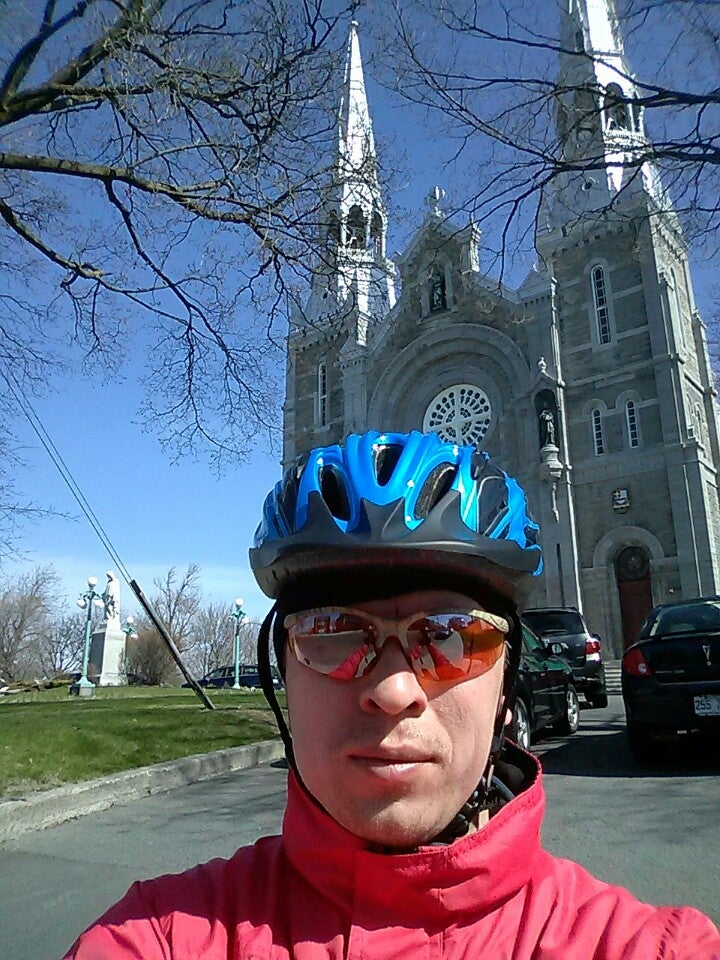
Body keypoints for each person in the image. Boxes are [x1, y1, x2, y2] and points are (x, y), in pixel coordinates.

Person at [64, 430, 720, 959]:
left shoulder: (645, 946)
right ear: (282, 676)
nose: (394, 688)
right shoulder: (161, 934)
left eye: (455, 636)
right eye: (330, 632)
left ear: (504, 688)